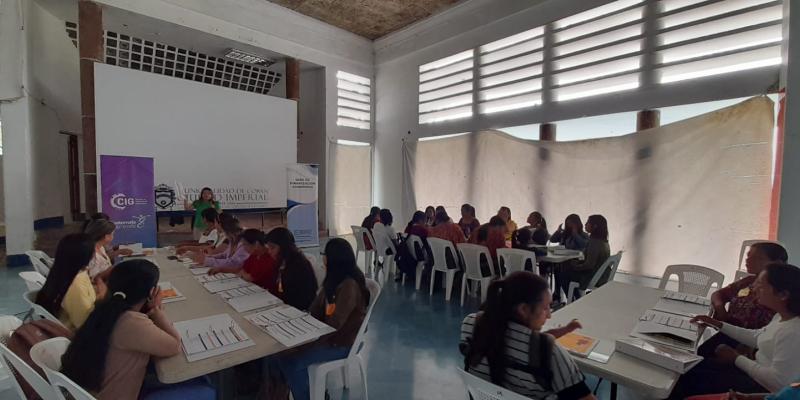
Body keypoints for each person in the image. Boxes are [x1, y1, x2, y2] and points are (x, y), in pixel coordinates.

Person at [61, 259, 215, 400]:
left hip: (95, 390)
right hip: (119, 395)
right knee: (207, 390)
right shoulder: (131, 322)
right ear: (151, 292)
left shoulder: (104, 310)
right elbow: (174, 345)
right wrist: (157, 312)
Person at [670, 264, 800, 398]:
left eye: (761, 285)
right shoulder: (781, 316)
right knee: (688, 367)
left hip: (758, 386)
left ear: (783, 294)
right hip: (752, 370)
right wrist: (718, 324)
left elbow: (778, 383)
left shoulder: (793, 332)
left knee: (686, 379)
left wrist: (736, 358)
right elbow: (757, 337)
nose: (754, 288)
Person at [460, 271, 594, 400]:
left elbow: (525, 343)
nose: (549, 315)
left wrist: (565, 330)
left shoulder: (471, 324)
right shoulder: (551, 353)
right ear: (523, 309)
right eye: (546, 308)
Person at [267, 238, 370, 400]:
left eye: (325, 254)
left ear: (334, 258)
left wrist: (306, 342)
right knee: (277, 354)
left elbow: (335, 324)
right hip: (326, 336)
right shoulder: (333, 280)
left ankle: (308, 396)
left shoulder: (349, 286)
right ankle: (297, 392)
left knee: (293, 362)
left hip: (340, 342)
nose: (323, 257)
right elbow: (315, 309)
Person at [699, 243, 789, 358]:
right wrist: (720, 310)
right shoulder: (749, 281)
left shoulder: (779, 294)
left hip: (748, 348)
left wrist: (740, 356)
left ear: (777, 264)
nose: (748, 261)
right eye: (748, 256)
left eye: (757, 258)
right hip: (728, 333)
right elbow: (718, 294)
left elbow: (765, 337)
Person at [35, 233, 102, 331]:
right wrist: (102, 297)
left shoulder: (62, 271)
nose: (96, 252)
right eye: (93, 250)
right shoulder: (75, 284)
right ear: (85, 255)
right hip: (75, 336)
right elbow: (84, 323)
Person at [557, 215, 611, 302]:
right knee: (566, 268)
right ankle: (576, 298)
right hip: (602, 275)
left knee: (563, 274)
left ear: (595, 226)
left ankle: (574, 300)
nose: (585, 224)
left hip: (593, 276)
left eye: (587, 223)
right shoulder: (603, 241)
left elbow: (589, 265)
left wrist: (575, 266)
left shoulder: (594, 242)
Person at [266, 227, 318, 310]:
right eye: (268, 248)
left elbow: (304, 296)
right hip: (283, 305)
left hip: (298, 309)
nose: (269, 251)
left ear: (284, 247)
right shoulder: (281, 261)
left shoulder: (299, 265)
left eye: (272, 248)